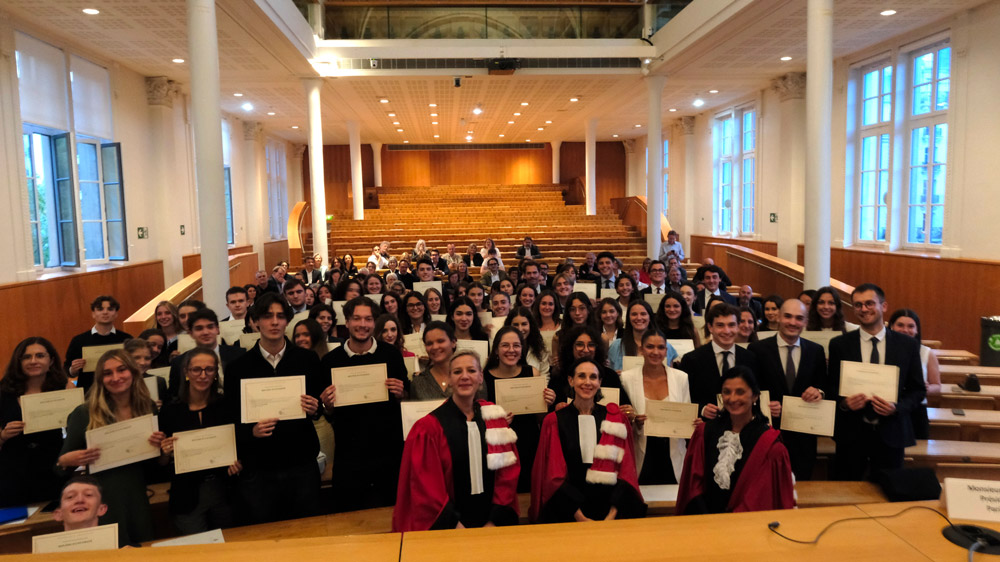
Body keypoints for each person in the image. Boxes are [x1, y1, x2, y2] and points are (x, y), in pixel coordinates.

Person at [223, 293, 325, 524]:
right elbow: (231, 418)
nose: (275, 322)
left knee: (308, 531)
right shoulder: (238, 368)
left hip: (301, 463)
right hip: (260, 467)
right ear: (255, 321)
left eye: (280, 316)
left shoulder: (307, 360)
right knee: (265, 534)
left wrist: (315, 407)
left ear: (287, 321)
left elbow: (319, 406)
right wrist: (251, 432)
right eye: (268, 316)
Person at [393, 350, 520, 531]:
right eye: (457, 372)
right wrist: (455, 526)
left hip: (493, 521)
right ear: (450, 380)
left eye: (471, 370)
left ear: (480, 377)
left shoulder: (494, 418)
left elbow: (507, 474)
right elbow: (428, 487)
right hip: (451, 526)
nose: (465, 377)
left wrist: (494, 522)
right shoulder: (429, 428)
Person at [58, 350, 165, 546]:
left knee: (143, 549)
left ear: (133, 372)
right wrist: (68, 460)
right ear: (100, 379)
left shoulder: (147, 407)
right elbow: (60, 466)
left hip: (137, 494)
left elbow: (155, 463)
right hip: (104, 499)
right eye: (107, 373)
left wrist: (161, 447)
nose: (115, 377)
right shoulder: (85, 413)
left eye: (122, 370)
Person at [828, 283, 926, 481]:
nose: (863, 309)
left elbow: (917, 390)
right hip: (851, 434)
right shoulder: (840, 344)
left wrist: (896, 407)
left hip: (891, 433)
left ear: (884, 306)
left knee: (887, 494)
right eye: (858, 305)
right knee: (845, 492)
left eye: (869, 303)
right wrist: (845, 404)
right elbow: (831, 386)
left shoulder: (907, 345)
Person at [321, 296, 409, 512]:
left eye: (368, 319)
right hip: (349, 456)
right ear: (347, 322)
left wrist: (401, 393)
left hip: (388, 454)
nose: (362, 324)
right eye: (357, 319)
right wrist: (328, 406)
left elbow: (406, 398)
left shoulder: (392, 355)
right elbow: (329, 414)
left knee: (392, 515)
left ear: (374, 323)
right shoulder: (331, 361)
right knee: (351, 521)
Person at [531, 357, 646, 523]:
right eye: (581, 376)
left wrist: (610, 517)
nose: (587, 382)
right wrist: (581, 518)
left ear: (600, 382)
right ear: (571, 380)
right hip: (567, 510)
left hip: (612, 508)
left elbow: (626, 471)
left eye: (593, 377)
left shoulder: (616, 419)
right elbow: (553, 475)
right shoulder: (554, 420)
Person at [675, 366, 795, 514]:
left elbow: (761, 497)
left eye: (740, 392)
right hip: (705, 523)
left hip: (746, 526)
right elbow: (693, 487)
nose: (732, 398)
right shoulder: (704, 433)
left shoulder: (769, 445)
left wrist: (730, 524)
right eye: (727, 392)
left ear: (755, 396)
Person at [158, 349, 240, 534]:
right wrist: (165, 452)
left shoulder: (226, 406)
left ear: (216, 373)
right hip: (186, 495)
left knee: (231, 547)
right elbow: (161, 462)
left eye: (209, 369)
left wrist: (238, 463)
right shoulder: (171, 411)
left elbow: (239, 445)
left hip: (225, 490)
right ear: (186, 372)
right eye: (196, 370)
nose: (203, 375)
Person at [749, 299, 827, 480]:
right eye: (788, 316)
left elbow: (824, 385)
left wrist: (819, 392)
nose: (793, 322)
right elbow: (750, 388)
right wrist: (763, 404)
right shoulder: (757, 349)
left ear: (806, 322)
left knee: (802, 486)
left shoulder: (816, 351)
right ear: (778, 317)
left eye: (799, 318)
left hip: (804, 436)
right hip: (768, 432)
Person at [0, 337, 72, 507]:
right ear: (18, 362)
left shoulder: (65, 388)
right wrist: (3, 435)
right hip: (13, 472)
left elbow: (80, 430)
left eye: (40, 356)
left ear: (51, 360)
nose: (33, 361)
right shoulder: (3, 391)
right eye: (26, 357)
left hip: (54, 470)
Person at [483, 327, 554, 492]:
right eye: (505, 345)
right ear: (496, 350)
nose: (511, 350)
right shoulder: (484, 378)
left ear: (522, 350)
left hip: (528, 442)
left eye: (516, 345)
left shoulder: (533, 373)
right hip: (497, 447)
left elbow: (540, 419)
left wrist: (546, 403)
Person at [620, 331, 692, 485]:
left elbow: (686, 415)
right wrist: (633, 420)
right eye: (650, 347)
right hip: (642, 449)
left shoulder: (681, 378)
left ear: (666, 351)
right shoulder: (626, 378)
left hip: (672, 450)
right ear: (641, 349)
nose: (655, 352)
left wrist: (692, 423)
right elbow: (623, 418)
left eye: (661, 347)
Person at [681, 303, 758, 418]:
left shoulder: (750, 358)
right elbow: (684, 398)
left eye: (731, 325)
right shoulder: (691, 359)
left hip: (742, 426)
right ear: (710, 327)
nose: (726, 331)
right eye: (720, 325)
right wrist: (701, 410)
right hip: (706, 426)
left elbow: (756, 393)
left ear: (737, 327)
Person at [889, 308, 943, 440]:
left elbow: (937, 387)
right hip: (889, 408)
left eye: (911, 326)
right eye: (900, 325)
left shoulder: (926, 353)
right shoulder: (883, 350)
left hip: (916, 410)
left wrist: (925, 388)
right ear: (891, 327)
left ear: (917, 330)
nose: (905, 330)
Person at [167, 308, 245, 398]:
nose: (205, 332)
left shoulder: (239, 355)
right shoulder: (179, 363)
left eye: (210, 327)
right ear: (190, 333)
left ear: (218, 329)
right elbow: (174, 396)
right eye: (199, 328)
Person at [64, 295, 134, 392]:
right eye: (100, 309)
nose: (105, 312)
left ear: (116, 314)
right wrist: (73, 369)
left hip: (120, 389)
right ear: (93, 313)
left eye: (110, 309)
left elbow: (133, 366)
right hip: (90, 391)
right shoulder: (79, 340)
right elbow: (67, 369)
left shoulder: (127, 339)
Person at [412, 321, 481, 401]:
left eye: (440, 341)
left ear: (453, 342)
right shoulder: (418, 382)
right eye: (429, 343)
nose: (435, 347)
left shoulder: (473, 375)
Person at [609, 300, 677, 372]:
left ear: (650, 317)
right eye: (634, 314)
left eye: (643, 314)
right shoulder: (616, 346)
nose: (639, 318)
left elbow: (670, 375)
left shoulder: (664, 345)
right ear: (628, 318)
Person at [124, 338, 166, 409]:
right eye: (136, 358)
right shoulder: (118, 382)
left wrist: (161, 407)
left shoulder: (158, 382)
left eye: (147, 358)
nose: (142, 363)